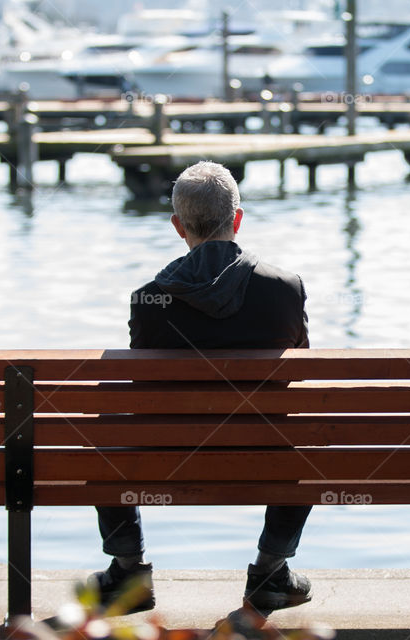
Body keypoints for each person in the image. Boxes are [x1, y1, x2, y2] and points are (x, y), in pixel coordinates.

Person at [89, 161, 312, 614]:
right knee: (304, 427)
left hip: (170, 460)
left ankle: (128, 571)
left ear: (177, 226)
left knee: (105, 427)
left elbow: (140, 387)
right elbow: (299, 375)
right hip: (266, 454)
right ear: (238, 219)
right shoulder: (285, 288)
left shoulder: (148, 300)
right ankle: (271, 570)